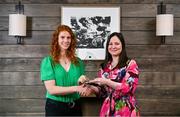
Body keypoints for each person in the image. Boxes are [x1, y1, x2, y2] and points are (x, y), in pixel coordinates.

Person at [40, 25, 90, 116]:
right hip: (55, 107)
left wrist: (84, 81)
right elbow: (51, 89)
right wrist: (76, 88)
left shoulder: (78, 62)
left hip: (76, 106)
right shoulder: (48, 62)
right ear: (56, 40)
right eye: (62, 37)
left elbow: (81, 83)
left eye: (68, 38)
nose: (66, 40)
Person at [88, 32, 140, 116]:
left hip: (125, 109)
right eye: (110, 44)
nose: (113, 46)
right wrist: (90, 86)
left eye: (117, 44)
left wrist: (106, 81)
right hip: (108, 110)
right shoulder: (104, 67)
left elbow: (129, 88)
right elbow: (103, 92)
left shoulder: (131, 64)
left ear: (122, 45)